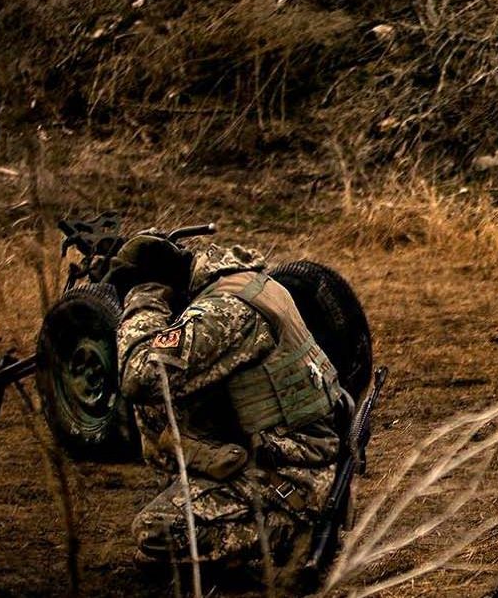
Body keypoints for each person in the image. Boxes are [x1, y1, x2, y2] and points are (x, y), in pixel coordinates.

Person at [110, 234, 345, 573]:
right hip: (289, 452)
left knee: (157, 530)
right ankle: (200, 497)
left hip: (292, 480)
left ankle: (289, 533)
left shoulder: (223, 312)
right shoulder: (242, 281)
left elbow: (139, 376)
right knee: (161, 400)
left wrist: (142, 300)